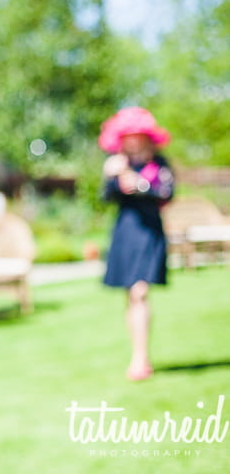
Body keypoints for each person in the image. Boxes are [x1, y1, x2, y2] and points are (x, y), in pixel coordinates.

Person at [99, 106, 175, 382]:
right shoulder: (117, 162)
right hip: (125, 234)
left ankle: (141, 358)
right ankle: (139, 354)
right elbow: (106, 197)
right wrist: (112, 176)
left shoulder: (159, 163)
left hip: (150, 233)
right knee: (131, 295)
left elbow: (167, 192)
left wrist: (141, 185)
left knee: (140, 292)